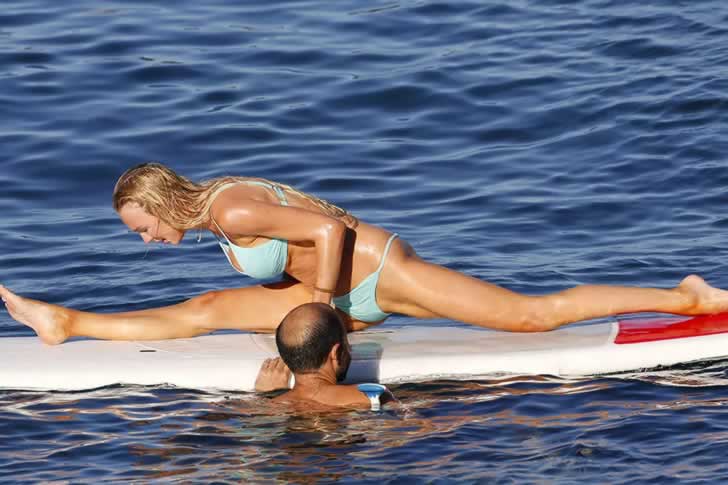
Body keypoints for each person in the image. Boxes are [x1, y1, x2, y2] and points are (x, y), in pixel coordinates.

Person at [2, 162, 728, 345]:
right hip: (341, 290)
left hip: (380, 273)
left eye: (142, 226)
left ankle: (685, 296)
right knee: (207, 309)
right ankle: (67, 321)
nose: (145, 239)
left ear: (163, 204)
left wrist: (317, 319)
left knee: (528, 317)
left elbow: (329, 232)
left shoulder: (231, 208)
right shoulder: (216, 219)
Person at [253, 302, 394, 409]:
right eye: (347, 344)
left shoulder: (269, 408)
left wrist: (267, 395)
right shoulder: (372, 396)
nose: (350, 349)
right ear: (336, 352)